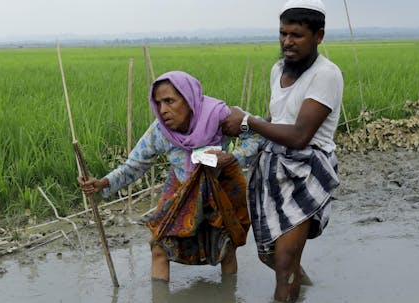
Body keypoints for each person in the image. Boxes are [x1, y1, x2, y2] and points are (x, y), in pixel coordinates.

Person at [78, 71, 261, 281]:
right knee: (159, 248)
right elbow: (134, 165)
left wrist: (233, 157)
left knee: (225, 249)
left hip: (218, 190)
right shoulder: (160, 131)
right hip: (180, 191)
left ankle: (229, 292)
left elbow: (257, 132)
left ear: (189, 99)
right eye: (159, 104)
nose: (163, 110)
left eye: (169, 101)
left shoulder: (220, 116)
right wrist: (103, 183)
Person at [220, 0, 343, 301]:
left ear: (319, 36)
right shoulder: (279, 69)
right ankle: (300, 291)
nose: (287, 42)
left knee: (285, 260)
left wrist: (247, 121)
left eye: (297, 35)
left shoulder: (325, 74)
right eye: (283, 33)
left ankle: (288, 289)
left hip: (306, 169)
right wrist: (245, 130)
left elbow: (300, 135)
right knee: (271, 256)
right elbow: (278, 121)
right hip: (273, 167)